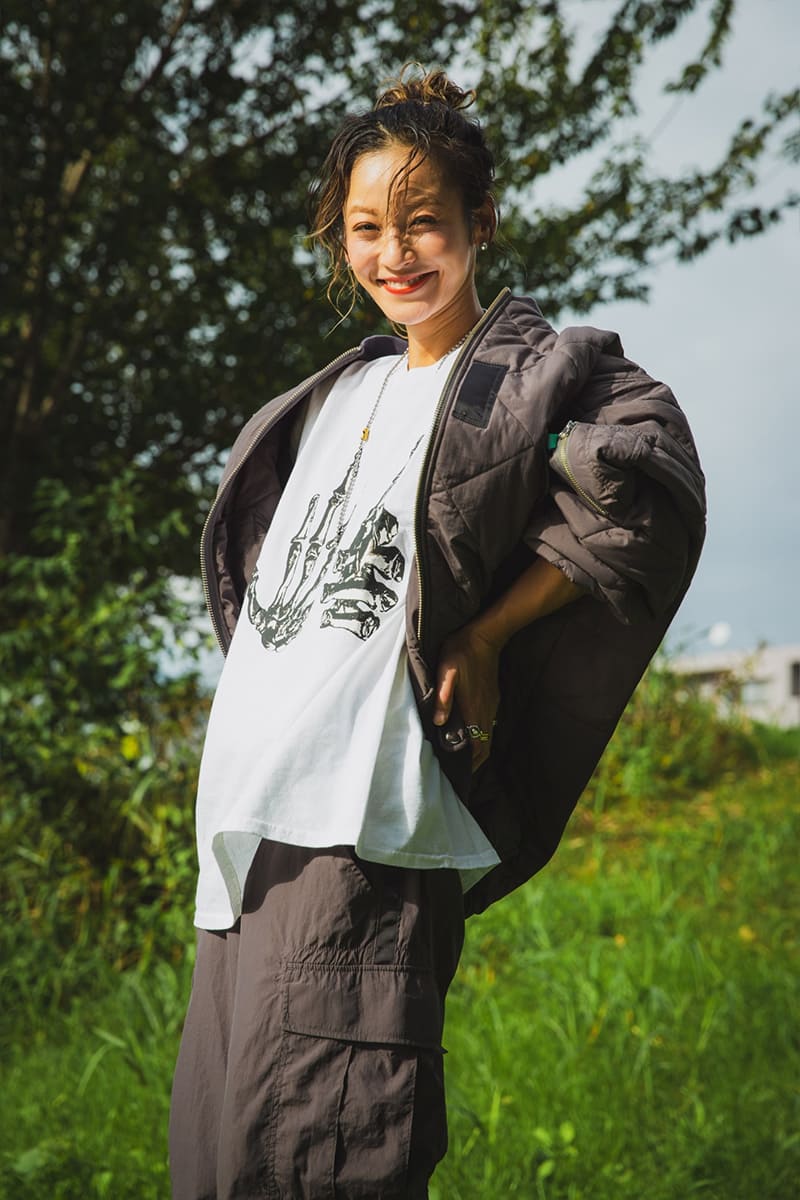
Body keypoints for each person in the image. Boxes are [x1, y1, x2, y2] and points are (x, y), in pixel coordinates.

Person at [169, 67, 705, 1199]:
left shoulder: (526, 377)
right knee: (220, 1161)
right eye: (366, 227)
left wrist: (490, 635)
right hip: (251, 830)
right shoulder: (338, 393)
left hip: (363, 827)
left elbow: (643, 484)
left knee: (323, 1155)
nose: (393, 252)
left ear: (479, 222)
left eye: (421, 221)